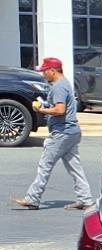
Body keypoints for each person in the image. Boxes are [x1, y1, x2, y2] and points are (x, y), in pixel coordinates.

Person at [11, 57, 94, 211]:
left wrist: (41, 110)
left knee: (45, 165)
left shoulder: (59, 87)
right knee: (75, 168)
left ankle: (33, 199)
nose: (43, 74)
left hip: (61, 133)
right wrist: (45, 105)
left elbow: (60, 110)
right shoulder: (64, 84)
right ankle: (86, 199)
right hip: (71, 131)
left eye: (45, 71)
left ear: (53, 71)